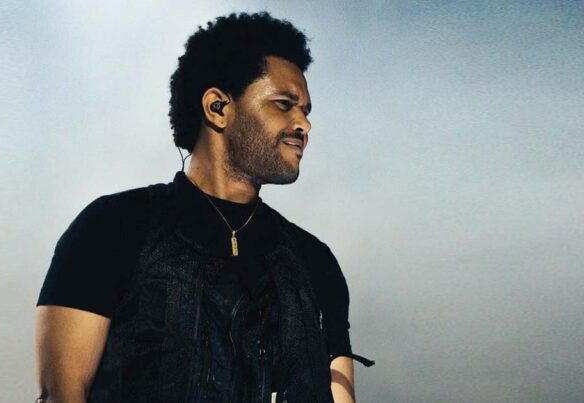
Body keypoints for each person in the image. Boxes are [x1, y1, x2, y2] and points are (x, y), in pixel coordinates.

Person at [35, 11, 373, 403]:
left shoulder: (314, 262)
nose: (304, 125)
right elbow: (62, 395)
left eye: (306, 111)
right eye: (284, 104)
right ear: (217, 107)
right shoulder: (112, 228)